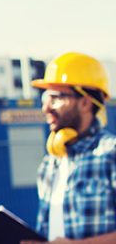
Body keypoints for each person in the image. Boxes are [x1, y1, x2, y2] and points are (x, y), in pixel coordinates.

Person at [21, 52, 114, 244]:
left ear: (85, 102)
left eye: (55, 98)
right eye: (45, 98)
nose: (46, 108)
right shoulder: (50, 163)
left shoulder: (110, 154)